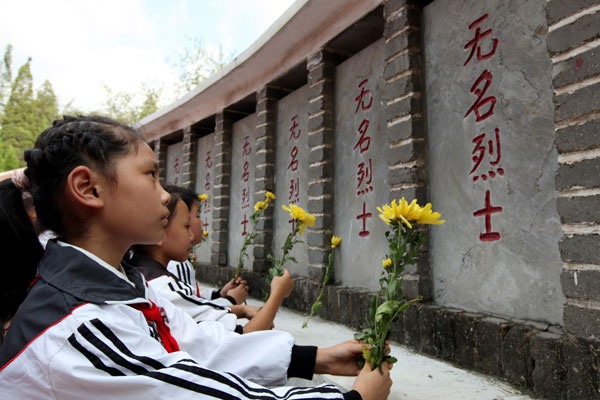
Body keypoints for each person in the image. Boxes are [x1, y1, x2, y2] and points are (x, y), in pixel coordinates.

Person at [0, 115, 392, 400]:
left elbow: (195, 345)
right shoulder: (80, 330)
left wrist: (317, 359)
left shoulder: (116, 289)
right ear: (89, 188)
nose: (165, 195)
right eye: (151, 174)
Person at [129, 186, 289, 333]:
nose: (193, 231)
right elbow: (240, 339)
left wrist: (229, 301)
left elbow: (193, 305)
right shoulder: (161, 283)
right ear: (158, 231)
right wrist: (277, 295)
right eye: (187, 225)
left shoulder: (141, 273)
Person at [166, 185, 248, 306]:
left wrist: (219, 294)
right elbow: (194, 313)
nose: (202, 222)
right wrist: (231, 300)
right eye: (197, 216)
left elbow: (190, 299)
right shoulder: (177, 264)